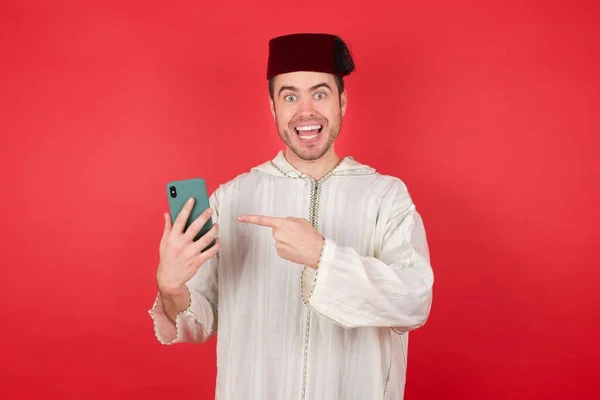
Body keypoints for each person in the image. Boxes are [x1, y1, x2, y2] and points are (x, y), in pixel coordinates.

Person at [148, 32, 434, 400]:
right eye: (289, 96)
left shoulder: (385, 197)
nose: (305, 112)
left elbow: (414, 301)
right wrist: (171, 289)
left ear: (342, 101)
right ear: (272, 107)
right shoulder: (233, 199)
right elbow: (197, 322)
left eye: (320, 93)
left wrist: (323, 257)